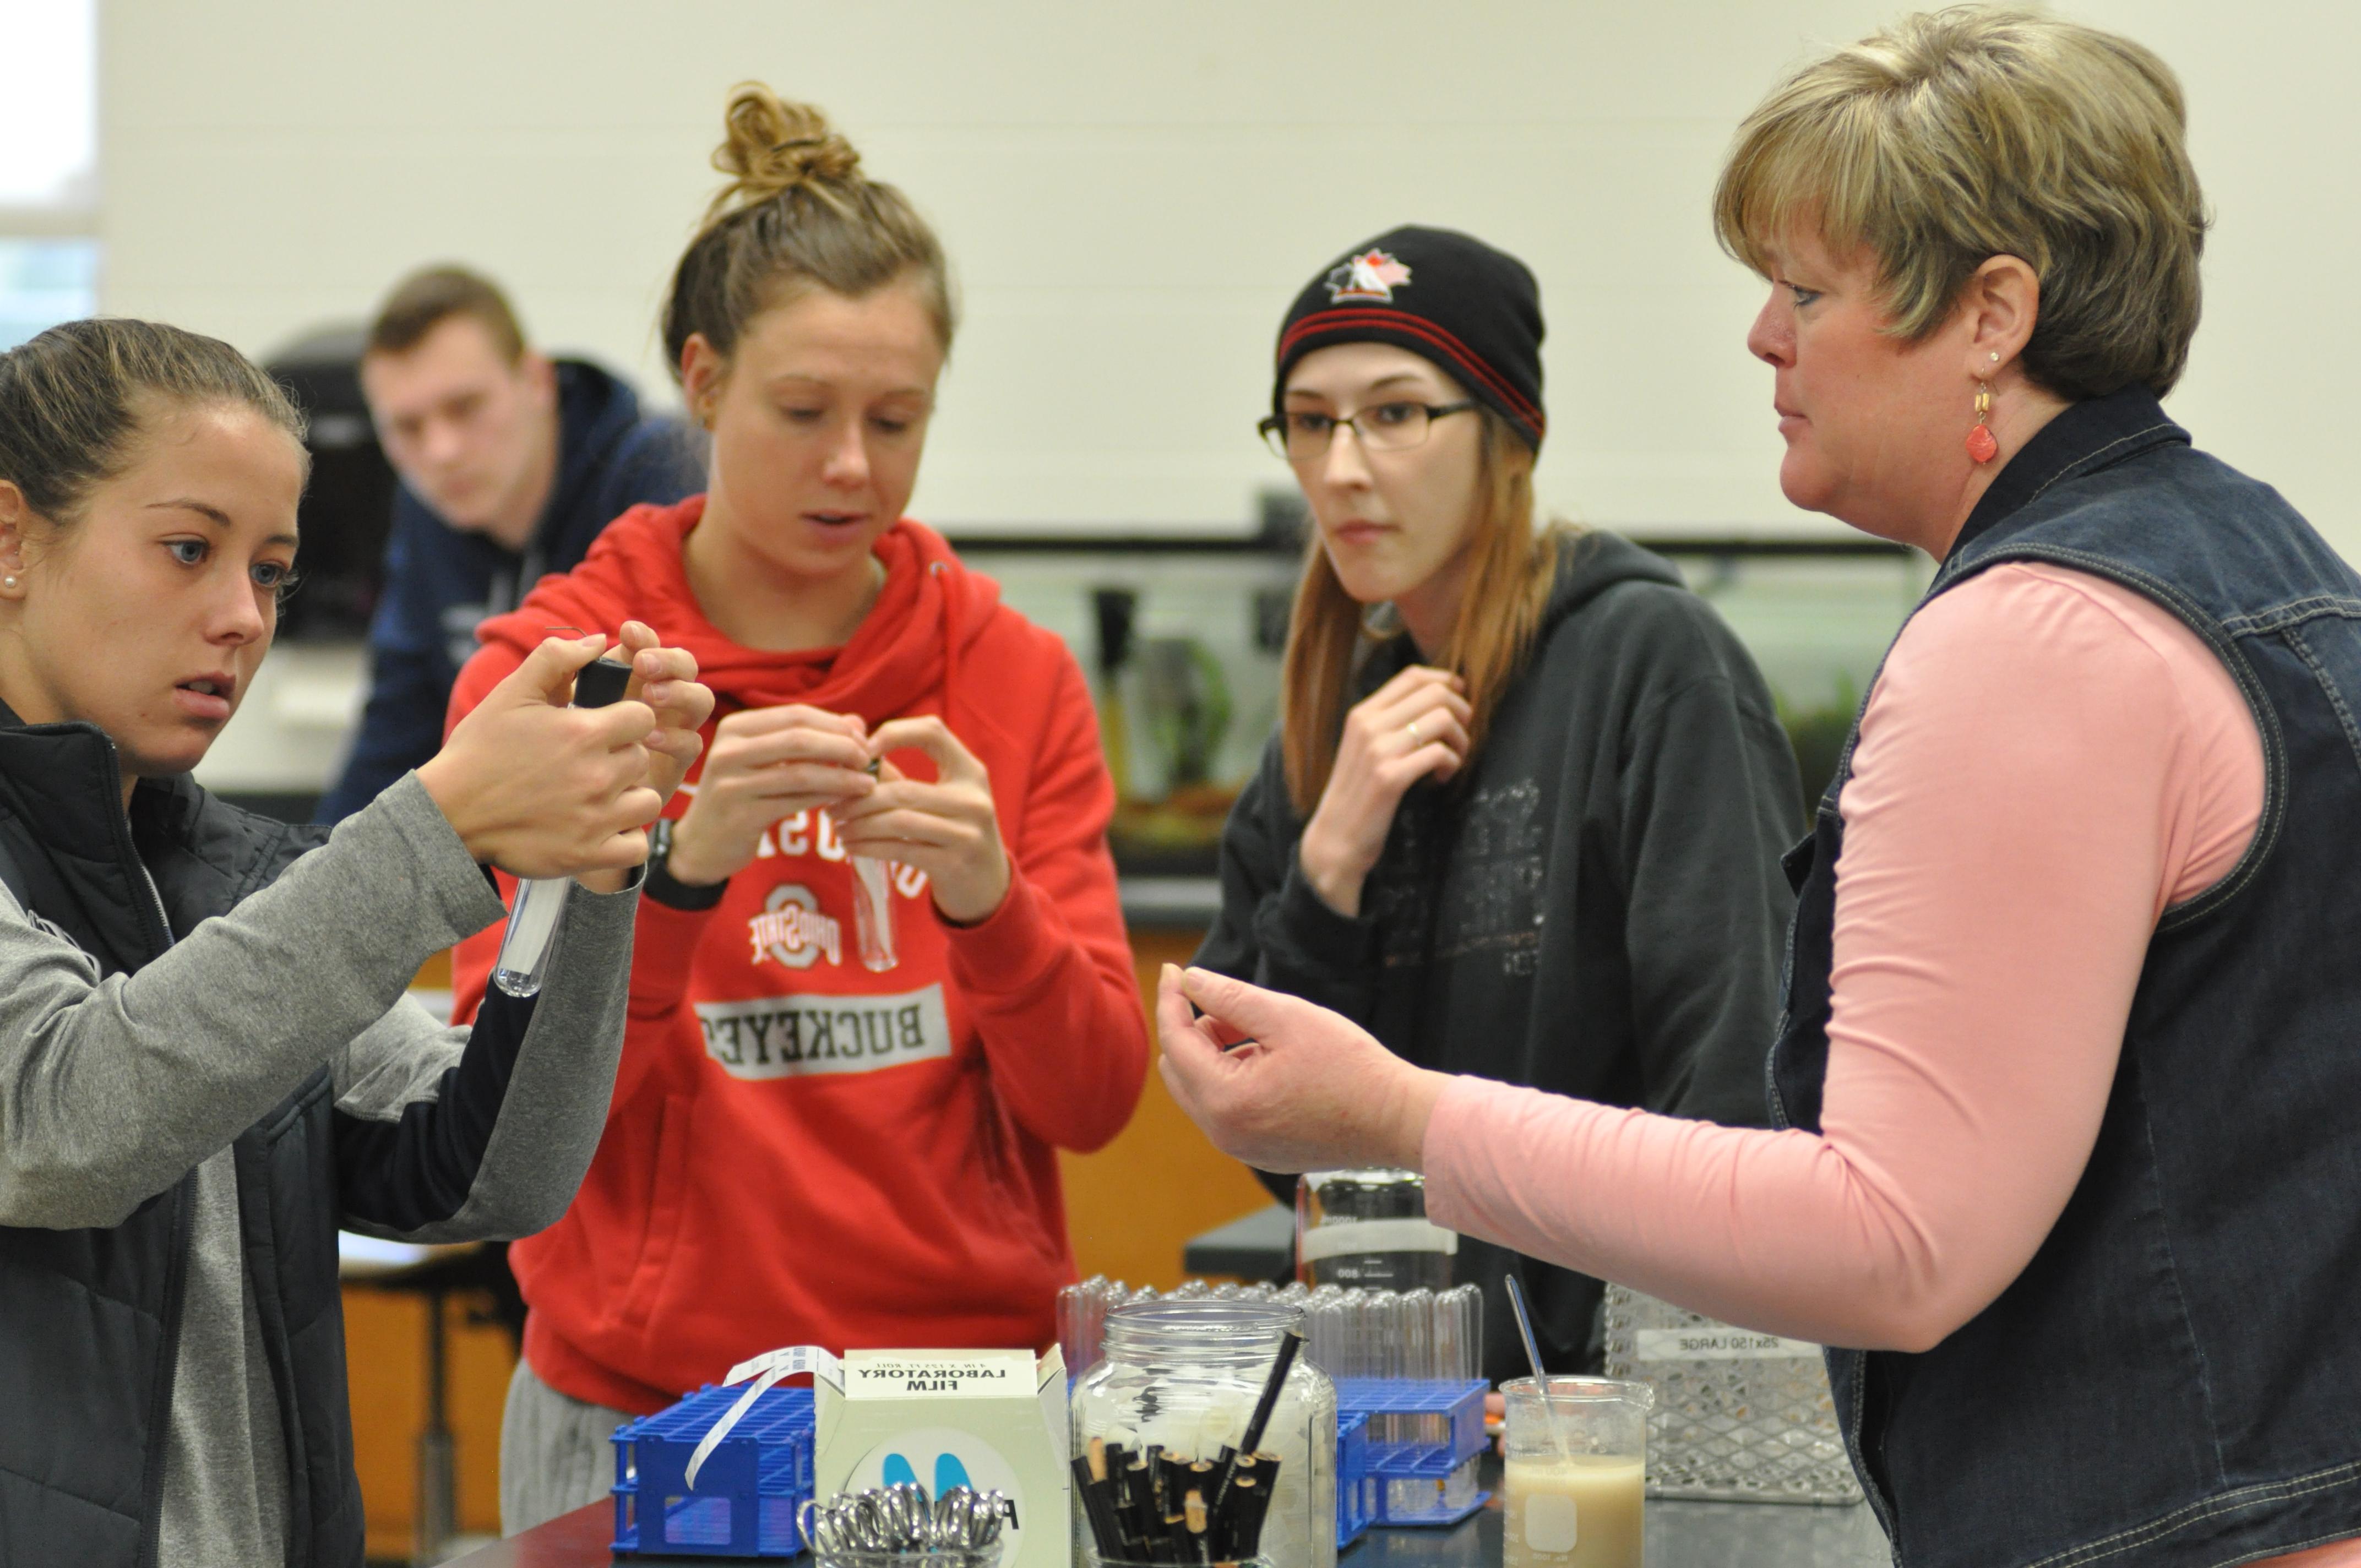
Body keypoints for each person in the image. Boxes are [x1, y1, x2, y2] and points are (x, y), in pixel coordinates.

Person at [1162, 9, 2361, 1566]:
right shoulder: (2265, 565)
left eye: (1807, 289)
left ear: (1994, 311)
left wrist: (1405, 1117)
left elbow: (1895, 1237)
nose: (1763, 337)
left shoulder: (2026, 638)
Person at [448, 86, 1150, 1533]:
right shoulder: (556, 680)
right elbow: (501, 1126)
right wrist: (674, 881)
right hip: (647, 1408)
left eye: (897, 420)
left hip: (961, 1408)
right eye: (804, 412)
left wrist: (992, 911)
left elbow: (1092, 1101)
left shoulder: (1011, 680)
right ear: (701, 383)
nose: (854, 467)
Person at [0, 318, 712, 1567]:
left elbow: (488, 1167)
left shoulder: (233, 875)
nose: (241, 616)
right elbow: (67, 1121)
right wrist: (442, 820)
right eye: (187, 549)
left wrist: (588, 855)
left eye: (270, 569)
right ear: (11, 540)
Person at [1195, 225, 1799, 1380]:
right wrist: (1326, 870)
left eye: (1395, 412)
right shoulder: (1323, 737)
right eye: (1310, 422)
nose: (1341, 467)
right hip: (1389, 1400)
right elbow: (1287, 1154)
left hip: (1603, 1402)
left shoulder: (1648, 661)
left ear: (1505, 435)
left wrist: (1629, 1379)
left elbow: (1735, 1092)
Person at [317, 265, 705, 822]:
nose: (442, 450)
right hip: (521, 839)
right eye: (407, 427)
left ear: (537, 382)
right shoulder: (427, 510)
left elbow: (691, 710)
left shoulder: (658, 470)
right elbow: (392, 740)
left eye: (465, 407)